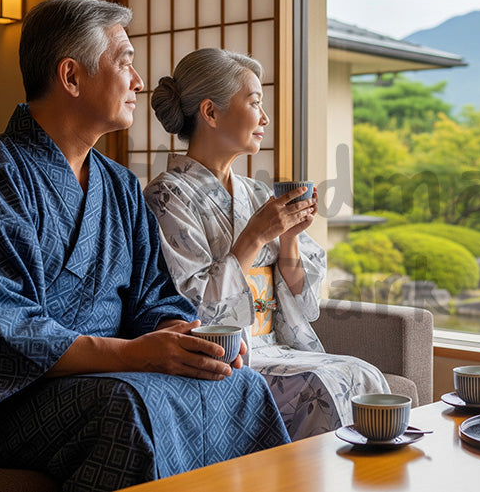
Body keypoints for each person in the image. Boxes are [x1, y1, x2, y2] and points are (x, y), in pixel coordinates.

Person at [0, 0, 289, 492]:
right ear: (71, 77)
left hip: (107, 373)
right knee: (126, 408)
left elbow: (154, 298)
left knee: (241, 385)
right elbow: (3, 330)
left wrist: (183, 335)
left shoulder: (118, 186)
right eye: (125, 63)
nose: (138, 83)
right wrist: (133, 355)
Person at [144, 48, 390, 440]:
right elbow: (193, 305)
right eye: (255, 103)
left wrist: (289, 238)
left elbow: (304, 300)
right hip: (233, 354)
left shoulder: (256, 192)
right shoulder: (167, 195)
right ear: (210, 112)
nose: (265, 118)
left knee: (364, 373)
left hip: (278, 344)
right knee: (323, 385)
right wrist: (256, 234)